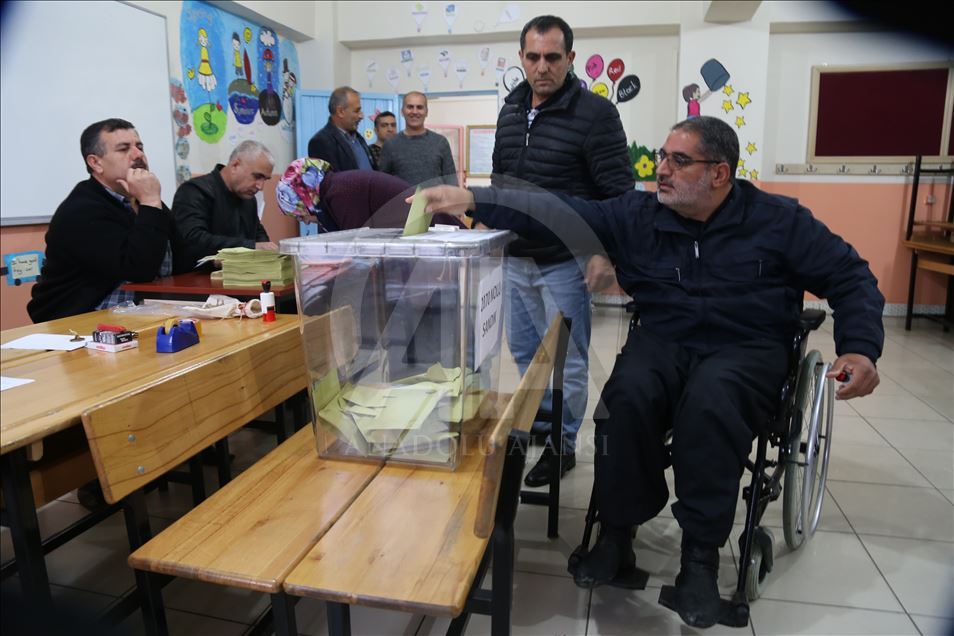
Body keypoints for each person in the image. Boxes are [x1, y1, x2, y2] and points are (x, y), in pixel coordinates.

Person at [416, 116, 884, 629]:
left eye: (679, 161)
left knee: (710, 406)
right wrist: (475, 199)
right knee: (625, 402)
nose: (661, 170)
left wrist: (860, 348)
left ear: (719, 173)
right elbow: (560, 209)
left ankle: (699, 558)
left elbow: (849, 275)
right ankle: (617, 534)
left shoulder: (778, 221)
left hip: (747, 347)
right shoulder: (639, 215)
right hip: (664, 338)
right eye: (662, 157)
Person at [493, 15, 635, 487]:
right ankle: (543, 422)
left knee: (568, 360)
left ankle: (563, 445)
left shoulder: (596, 115)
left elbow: (619, 194)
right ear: (521, 58)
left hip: (566, 261)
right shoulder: (510, 112)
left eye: (553, 57)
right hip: (516, 257)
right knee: (525, 351)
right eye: (533, 57)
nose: (542, 67)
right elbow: (500, 182)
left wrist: (604, 253)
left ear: (570, 58)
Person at [28, 118, 181, 323]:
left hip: (140, 310)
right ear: (96, 163)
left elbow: (182, 256)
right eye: (124, 149)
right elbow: (139, 270)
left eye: (140, 146)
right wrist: (151, 201)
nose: (138, 155)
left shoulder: (140, 200)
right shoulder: (82, 210)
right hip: (78, 320)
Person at [277, 157, 464, 231]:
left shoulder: (340, 193)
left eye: (301, 216)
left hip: (440, 233)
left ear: (304, 198)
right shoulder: (336, 186)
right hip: (432, 232)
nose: (306, 221)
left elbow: (357, 249)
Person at [172, 140, 277, 269]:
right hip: (196, 278)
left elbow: (258, 235)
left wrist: (267, 250)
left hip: (240, 276)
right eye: (257, 176)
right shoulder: (194, 191)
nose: (260, 186)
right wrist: (250, 247)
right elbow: (192, 241)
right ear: (235, 165)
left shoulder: (248, 199)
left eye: (265, 179)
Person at [378, 92, 458, 186]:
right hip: (402, 196)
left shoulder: (440, 142)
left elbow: (452, 183)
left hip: (435, 196)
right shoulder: (390, 145)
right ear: (402, 111)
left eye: (419, 107)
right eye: (410, 107)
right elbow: (382, 184)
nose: (415, 112)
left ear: (426, 112)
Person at [306, 86, 374, 172]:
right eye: (356, 111)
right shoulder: (320, 142)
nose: (361, 116)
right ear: (340, 112)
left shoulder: (358, 138)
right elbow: (330, 178)